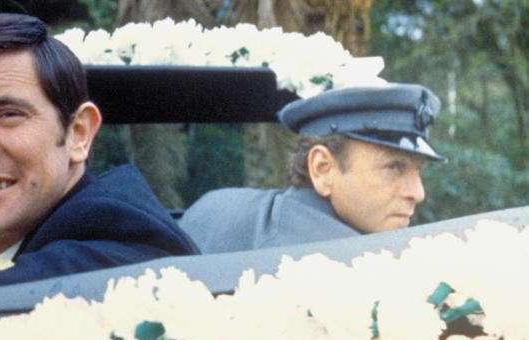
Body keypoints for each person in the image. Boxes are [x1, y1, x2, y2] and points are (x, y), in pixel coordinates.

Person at [0, 13, 198, 291]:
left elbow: (20, 288)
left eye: (8, 115)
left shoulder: (127, 245)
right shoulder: (30, 254)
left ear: (78, 134)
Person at [179, 83, 445, 253]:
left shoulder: (214, 205)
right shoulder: (340, 270)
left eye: (417, 170)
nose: (417, 193)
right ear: (322, 169)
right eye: (394, 167)